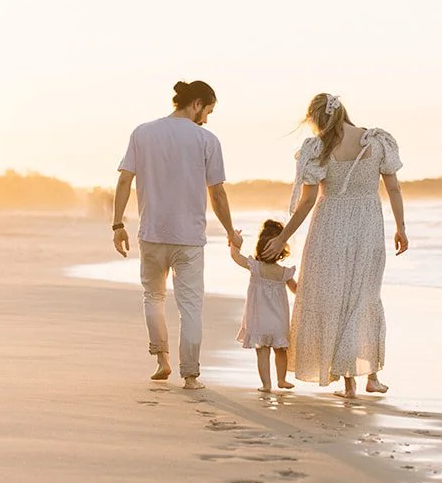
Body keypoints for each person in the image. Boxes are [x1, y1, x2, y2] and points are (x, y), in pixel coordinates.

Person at [260, 93, 407, 398]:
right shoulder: (377, 141)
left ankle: (349, 383)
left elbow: (307, 202)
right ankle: (371, 376)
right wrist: (401, 228)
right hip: (367, 225)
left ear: (316, 118)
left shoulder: (318, 148)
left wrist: (283, 237)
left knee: (334, 299)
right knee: (364, 296)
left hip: (329, 226)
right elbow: (393, 187)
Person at [113, 80, 240, 390]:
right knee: (191, 307)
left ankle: (162, 360)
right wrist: (229, 231)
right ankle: (191, 374)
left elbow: (124, 181)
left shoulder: (142, 133)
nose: (207, 119)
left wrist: (118, 225)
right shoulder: (206, 140)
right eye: (207, 111)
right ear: (196, 104)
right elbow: (218, 193)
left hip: (152, 233)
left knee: (153, 298)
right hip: (189, 239)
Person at [230, 220, 299, 392]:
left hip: (259, 320)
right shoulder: (284, 273)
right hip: (278, 321)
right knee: (280, 351)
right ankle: (282, 380)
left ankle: (266, 384)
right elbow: (297, 290)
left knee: (262, 352)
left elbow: (236, 256)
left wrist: (234, 242)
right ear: (281, 252)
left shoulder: (254, 267)